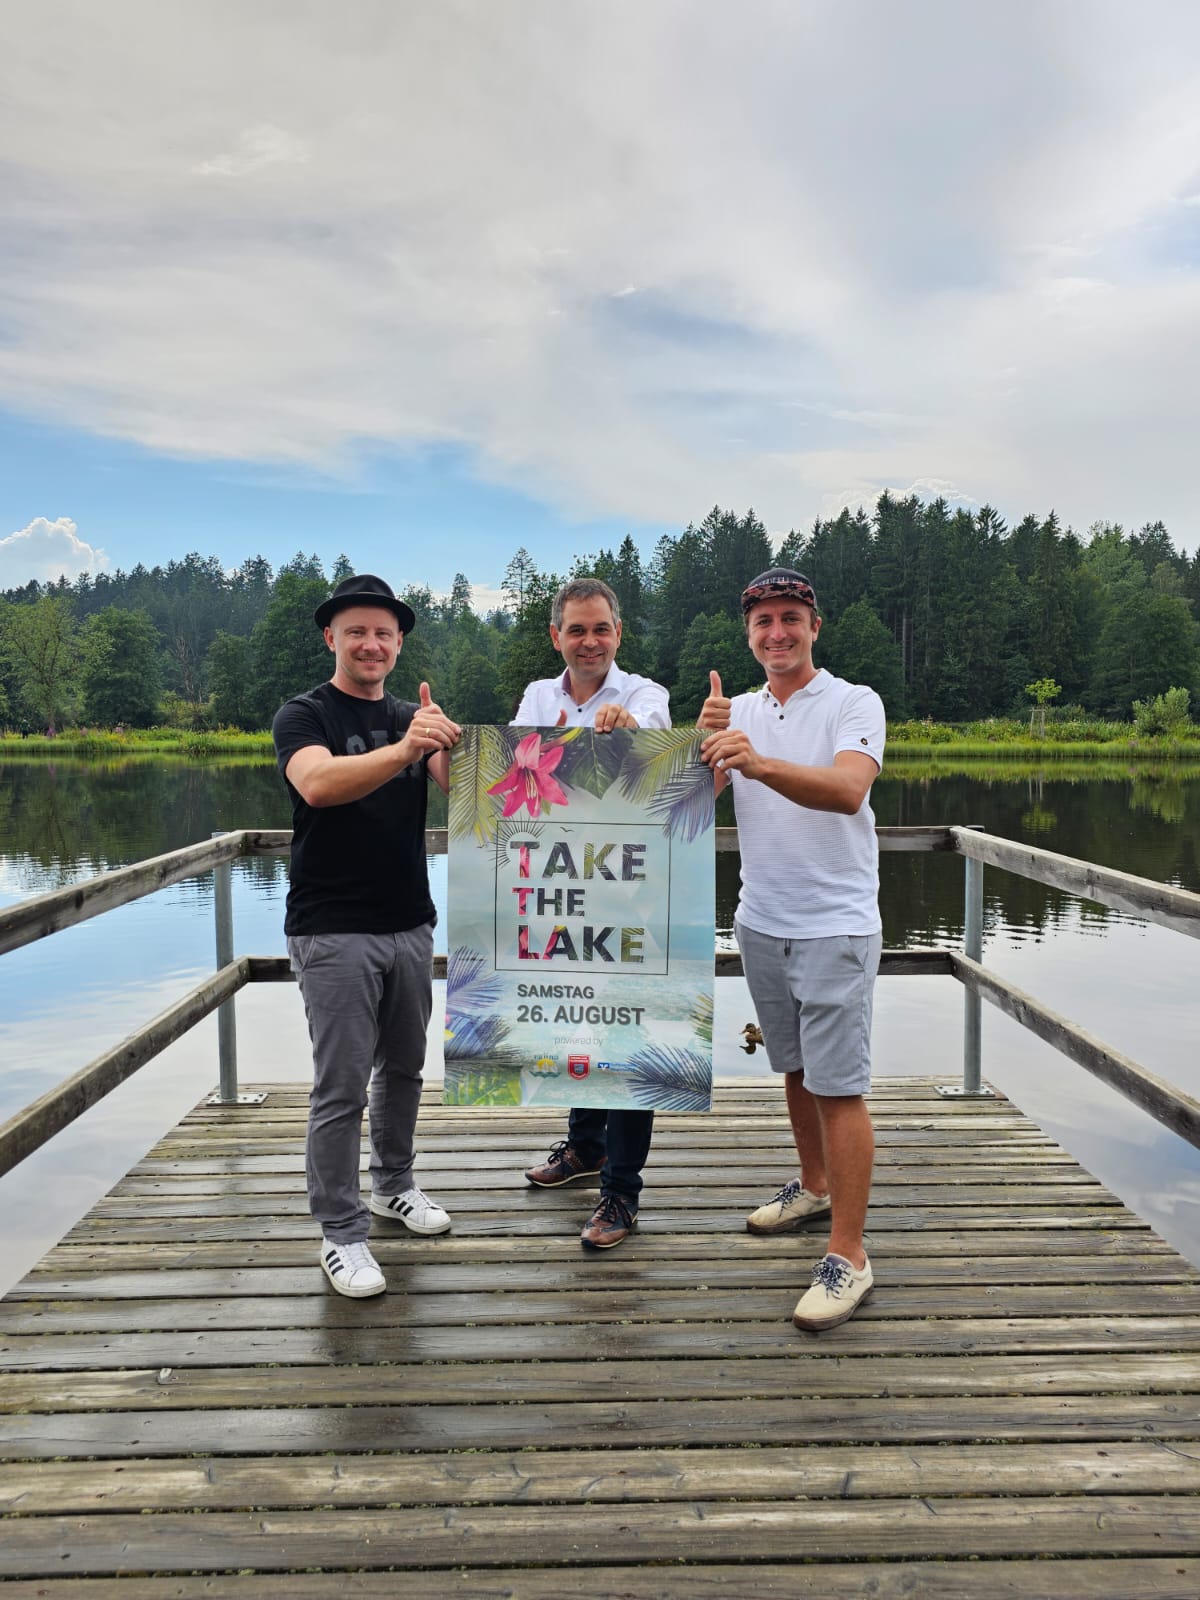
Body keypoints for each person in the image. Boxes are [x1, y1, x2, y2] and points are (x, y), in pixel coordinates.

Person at [697, 568, 885, 1331]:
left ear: (815, 625)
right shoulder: (734, 710)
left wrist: (754, 760)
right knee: (795, 1068)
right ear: (748, 634)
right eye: (763, 621)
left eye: (790, 619)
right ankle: (811, 1187)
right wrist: (681, 745)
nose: (777, 632)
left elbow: (848, 792)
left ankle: (851, 1256)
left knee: (840, 1086)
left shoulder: (852, 701)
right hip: (760, 920)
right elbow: (681, 805)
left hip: (835, 923)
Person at [272, 573, 461, 1298]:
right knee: (340, 1088)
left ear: (400, 640)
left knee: (406, 1071)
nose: (371, 643)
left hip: (410, 924)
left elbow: (482, 790)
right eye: (356, 631)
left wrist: (616, 740)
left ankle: (395, 1187)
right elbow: (318, 784)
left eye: (383, 632)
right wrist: (408, 748)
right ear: (332, 638)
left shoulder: (417, 718)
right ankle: (341, 1233)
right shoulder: (303, 714)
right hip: (333, 930)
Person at [516, 577, 670, 1249]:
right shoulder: (537, 697)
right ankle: (585, 1147)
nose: (589, 642)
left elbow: (667, 759)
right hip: (564, 887)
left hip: (630, 893)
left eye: (600, 629)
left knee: (626, 1038)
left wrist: (629, 734)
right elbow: (521, 778)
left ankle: (622, 1196)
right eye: (575, 630)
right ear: (557, 637)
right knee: (579, 1018)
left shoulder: (645, 694)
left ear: (618, 634)